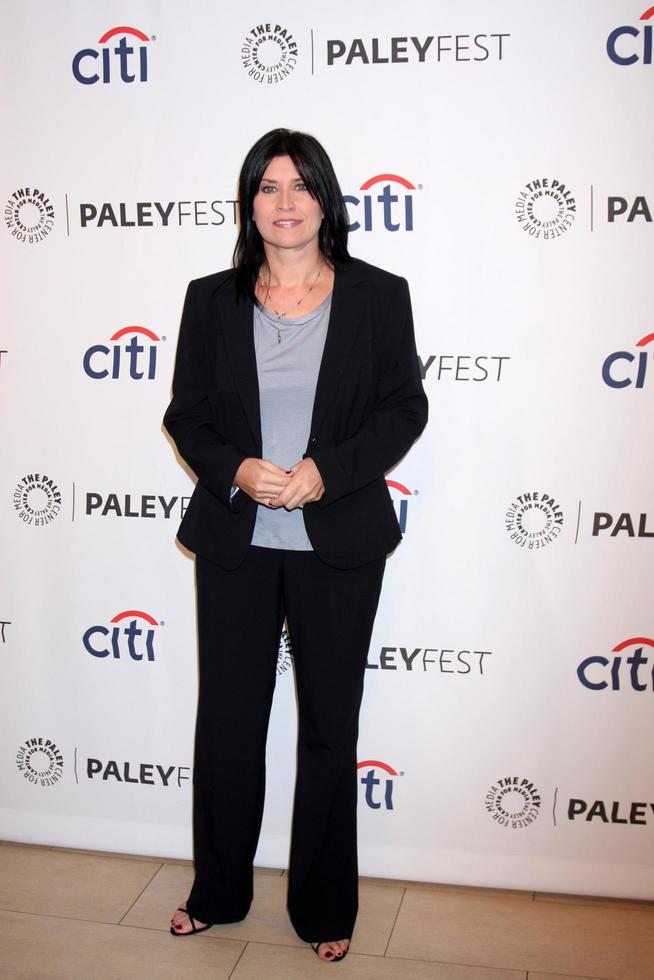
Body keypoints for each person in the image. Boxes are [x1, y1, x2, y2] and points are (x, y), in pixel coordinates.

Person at [163, 128, 427, 963]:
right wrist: (239, 466)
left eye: (301, 186)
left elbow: (404, 409)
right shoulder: (211, 299)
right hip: (239, 539)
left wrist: (326, 472)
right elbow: (188, 415)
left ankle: (323, 906)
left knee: (327, 726)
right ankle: (218, 891)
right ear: (250, 203)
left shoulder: (379, 296)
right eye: (268, 186)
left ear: (326, 199)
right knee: (230, 721)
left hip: (337, 540)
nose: (285, 202)